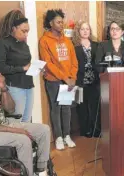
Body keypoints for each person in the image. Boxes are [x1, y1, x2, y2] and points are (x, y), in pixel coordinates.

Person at [0, 47, 51, 176]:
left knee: (44, 130)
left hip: (4, 123)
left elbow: (10, 109)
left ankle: (41, 171)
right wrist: (16, 130)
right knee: (23, 140)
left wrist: (3, 89)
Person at [39, 9, 77, 150]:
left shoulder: (67, 41)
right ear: (51, 23)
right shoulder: (44, 41)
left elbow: (74, 61)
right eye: (58, 22)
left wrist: (72, 77)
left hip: (68, 79)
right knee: (56, 108)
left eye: (62, 22)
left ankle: (67, 135)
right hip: (53, 80)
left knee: (66, 108)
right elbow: (47, 63)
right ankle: (59, 137)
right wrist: (64, 77)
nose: (62, 24)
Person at [0, 10, 33, 123]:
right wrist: (22, 68)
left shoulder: (24, 44)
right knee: (16, 122)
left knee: (27, 121)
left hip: (28, 85)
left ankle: (27, 141)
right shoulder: (1, 43)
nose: (26, 34)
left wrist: (34, 68)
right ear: (13, 28)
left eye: (27, 31)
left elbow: (26, 65)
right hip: (13, 87)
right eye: (23, 31)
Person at [72, 21, 101, 138]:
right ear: (78, 31)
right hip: (79, 81)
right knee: (82, 108)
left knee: (95, 106)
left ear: (90, 31)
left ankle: (96, 130)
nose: (85, 31)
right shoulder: (74, 46)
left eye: (87, 29)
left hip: (94, 81)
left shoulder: (96, 45)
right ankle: (85, 130)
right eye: (83, 29)